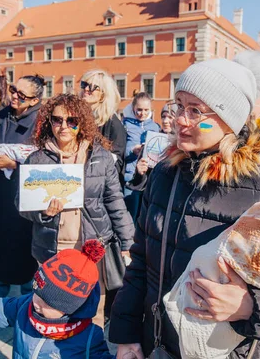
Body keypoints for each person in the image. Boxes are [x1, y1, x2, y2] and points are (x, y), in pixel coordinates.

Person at [110, 52, 260, 358]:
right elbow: (140, 263)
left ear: (229, 118)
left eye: (195, 111)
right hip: (158, 345)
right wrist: (127, 334)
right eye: (179, 106)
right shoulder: (164, 175)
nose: (179, 119)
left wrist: (249, 307)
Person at [20, 93, 135, 326]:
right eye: (57, 119)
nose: (64, 126)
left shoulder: (101, 157)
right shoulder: (36, 159)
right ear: (48, 122)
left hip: (90, 249)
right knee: (51, 312)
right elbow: (22, 205)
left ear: (82, 123)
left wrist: (128, 243)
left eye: (72, 121)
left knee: (93, 314)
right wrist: (44, 212)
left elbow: (115, 202)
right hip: (52, 249)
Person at [0, 75, 44, 300]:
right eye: (13, 89)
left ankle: (26, 300)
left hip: (21, 196)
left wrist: (13, 164)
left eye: (22, 95)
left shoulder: (41, 121)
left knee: (22, 251)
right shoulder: (0, 114)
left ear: (34, 100)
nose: (14, 96)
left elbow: (47, 160)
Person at [79, 70, 126, 180]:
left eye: (92, 87)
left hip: (100, 186)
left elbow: (117, 161)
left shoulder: (113, 123)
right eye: (84, 85)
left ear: (103, 95)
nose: (86, 89)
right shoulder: (76, 117)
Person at [122, 92, 160, 220]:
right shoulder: (126, 125)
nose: (142, 113)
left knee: (144, 217)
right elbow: (121, 153)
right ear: (133, 108)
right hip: (130, 177)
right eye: (139, 110)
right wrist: (133, 150)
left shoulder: (155, 127)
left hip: (148, 179)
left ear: (150, 110)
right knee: (129, 216)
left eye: (145, 110)